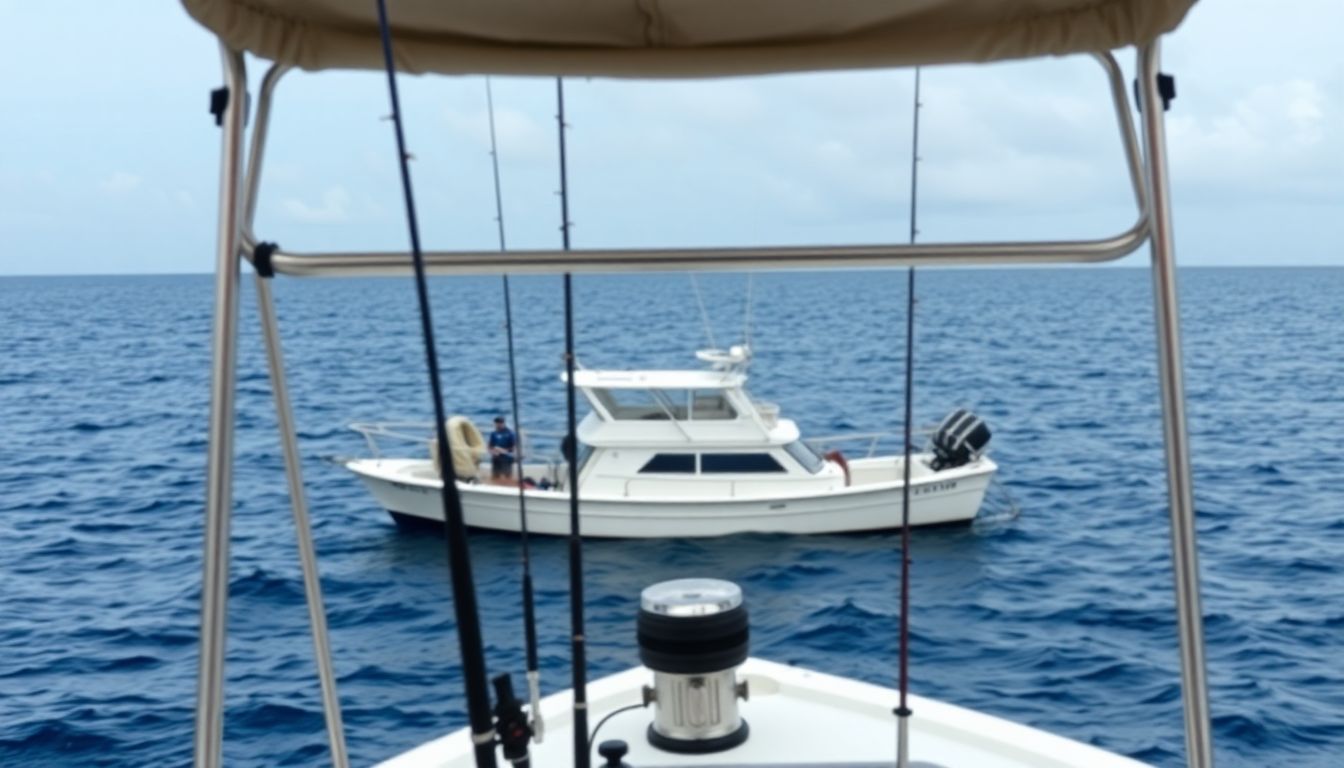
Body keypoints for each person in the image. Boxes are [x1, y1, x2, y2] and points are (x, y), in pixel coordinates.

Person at [488, 415, 517, 482]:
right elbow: (490, 445)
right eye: (497, 423)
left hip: (506, 457)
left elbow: (514, 446)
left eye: (500, 423)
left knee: (507, 475)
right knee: (495, 475)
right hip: (496, 457)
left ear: (503, 423)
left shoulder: (510, 433)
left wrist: (504, 451)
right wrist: (492, 451)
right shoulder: (493, 433)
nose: (498, 425)